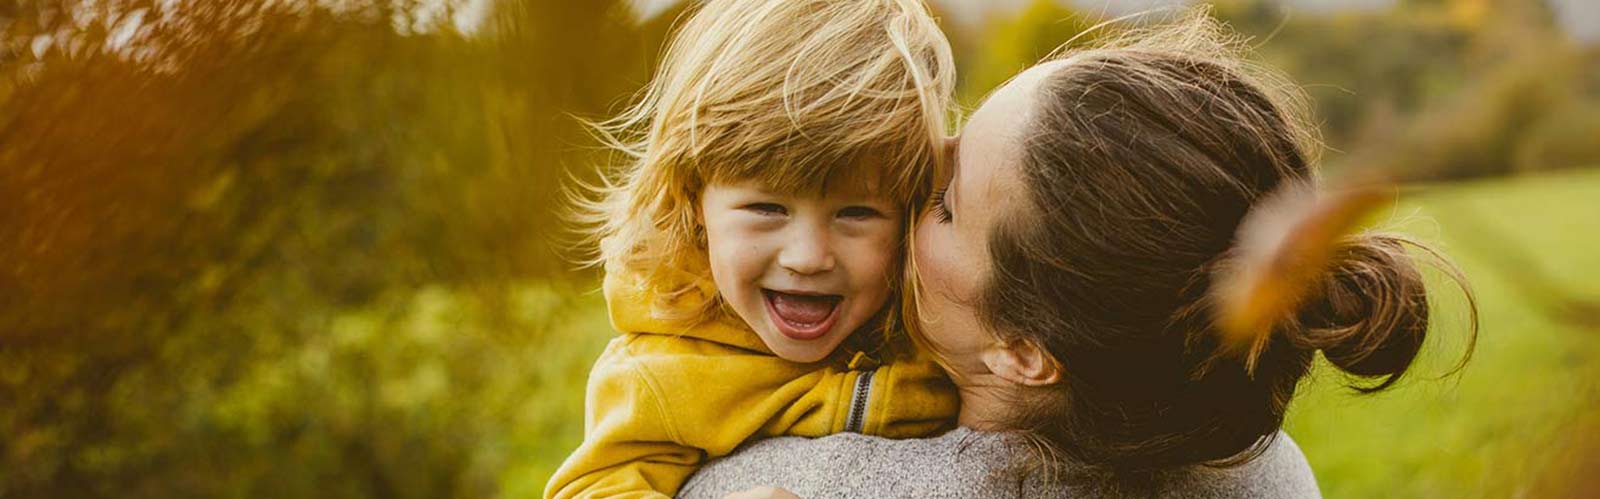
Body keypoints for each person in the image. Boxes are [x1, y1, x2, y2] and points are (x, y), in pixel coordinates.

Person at [679, 11, 1476, 498]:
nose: (921, 163)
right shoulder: (1266, 469)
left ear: (1023, 351)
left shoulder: (782, 486)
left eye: (947, 204)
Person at [543, 0, 962, 497]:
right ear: (693, 197)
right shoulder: (665, 369)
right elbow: (593, 488)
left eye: (856, 213)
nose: (807, 257)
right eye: (767, 208)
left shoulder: (937, 317)